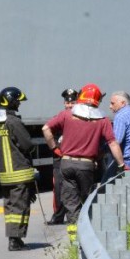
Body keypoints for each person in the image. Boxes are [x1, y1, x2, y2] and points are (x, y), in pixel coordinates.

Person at [41, 83, 125, 244]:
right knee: (86, 200)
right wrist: (121, 165)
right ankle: (88, 235)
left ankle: (74, 239)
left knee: (71, 202)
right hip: (87, 166)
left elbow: (46, 129)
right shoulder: (102, 120)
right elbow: (113, 143)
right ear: (97, 100)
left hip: (66, 163)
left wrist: (55, 148)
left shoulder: (67, 115)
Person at [0, 87, 35, 251]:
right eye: (18, 101)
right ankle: (15, 241)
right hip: (19, 172)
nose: (19, 104)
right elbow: (27, 144)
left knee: (10, 207)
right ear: (11, 102)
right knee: (20, 207)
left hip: (5, 174)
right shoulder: (13, 122)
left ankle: (13, 238)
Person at [46, 88, 78, 225]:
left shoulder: (81, 117)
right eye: (67, 103)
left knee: (76, 187)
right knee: (59, 187)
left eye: (72, 103)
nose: (69, 105)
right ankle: (58, 215)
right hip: (60, 157)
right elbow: (48, 132)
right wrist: (55, 148)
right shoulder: (58, 117)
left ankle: (77, 216)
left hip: (75, 157)